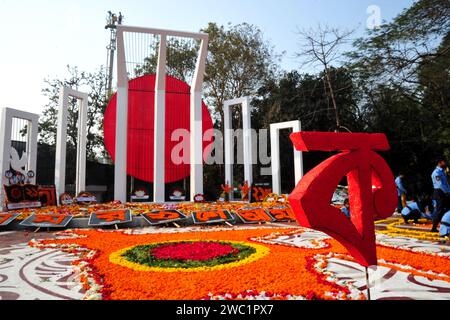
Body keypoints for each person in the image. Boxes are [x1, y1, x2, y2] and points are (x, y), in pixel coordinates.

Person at [431, 158, 450, 232]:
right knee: (440, 210)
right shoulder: (436, 173)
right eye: (444, 162)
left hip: (444, 192)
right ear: (440, 163)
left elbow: (446, 184)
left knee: (447, 209)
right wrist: (447, 192)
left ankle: (446, 224)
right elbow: (440, 185)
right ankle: (434, 227)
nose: (445, 163)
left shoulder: (442, 172)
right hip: (440, 193)